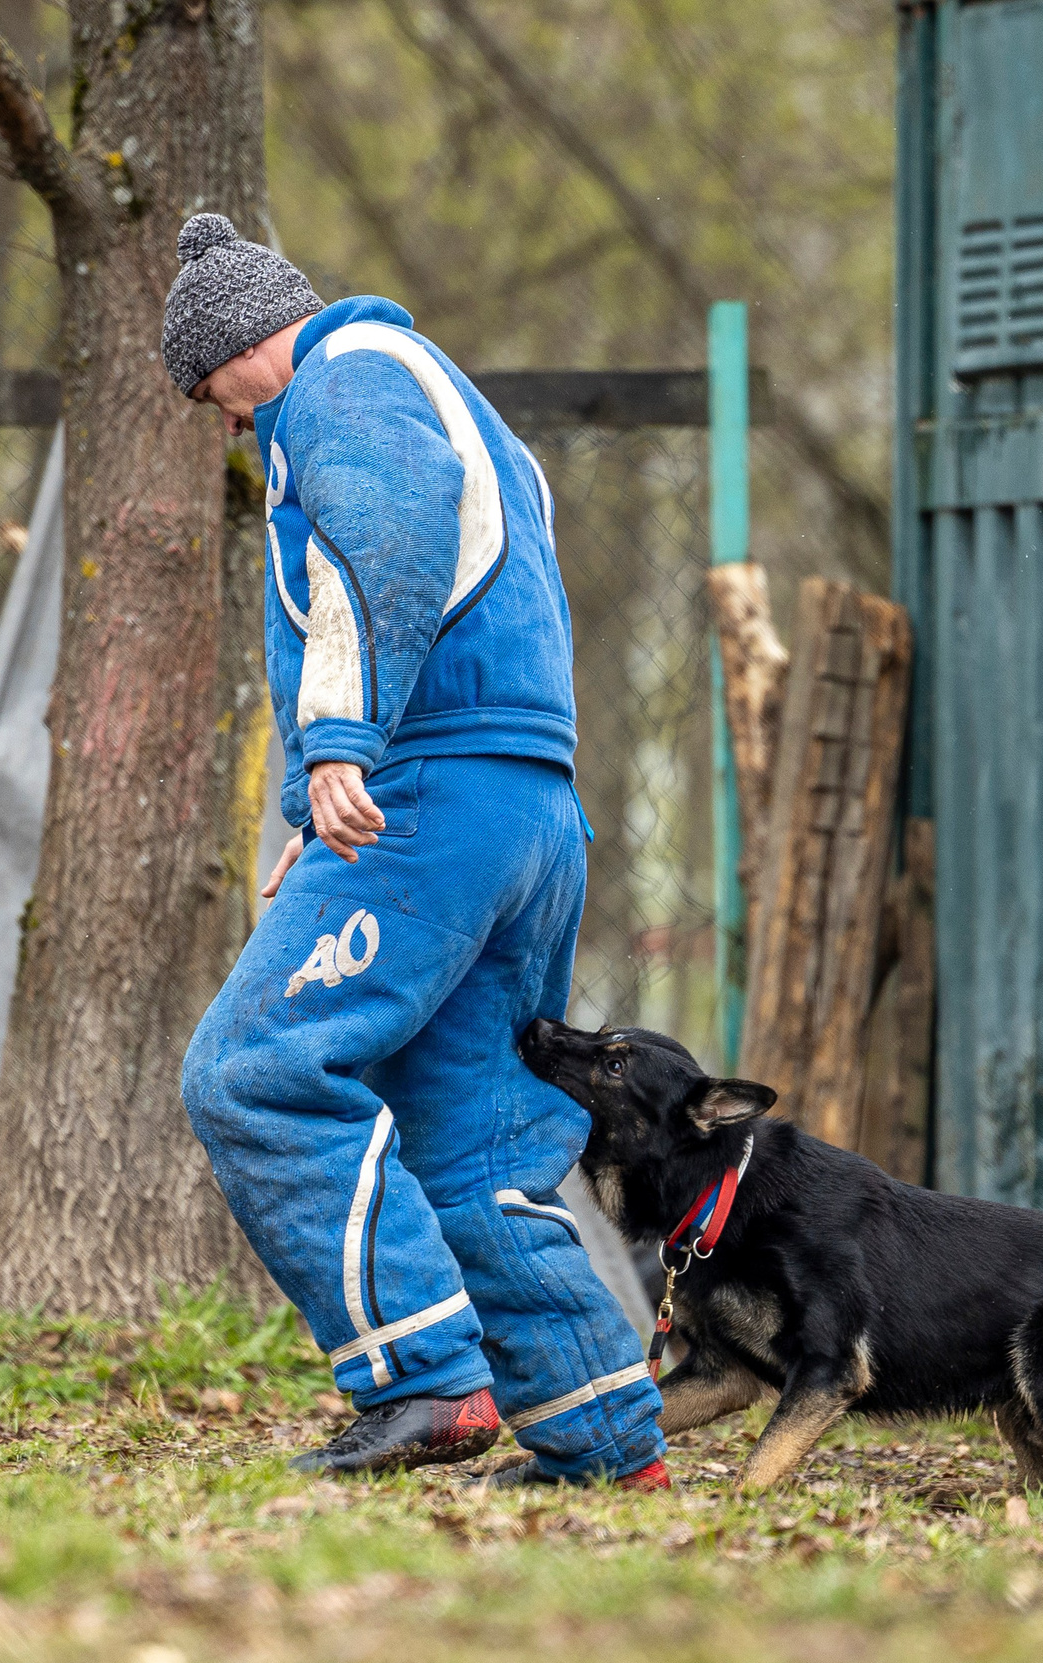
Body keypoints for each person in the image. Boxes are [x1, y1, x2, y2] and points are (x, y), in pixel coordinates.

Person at [163, 213, 668, 1488]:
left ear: (242, 347)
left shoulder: (350, 378)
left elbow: (382, 541)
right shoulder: (447, 393)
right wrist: (306, 805)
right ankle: (604, 1439)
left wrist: (339, 746)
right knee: (477, 1135)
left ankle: (423, 1379)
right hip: (530, 811)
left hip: (426, 795)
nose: (222, 422)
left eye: (209, 391)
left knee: (254, 1070)